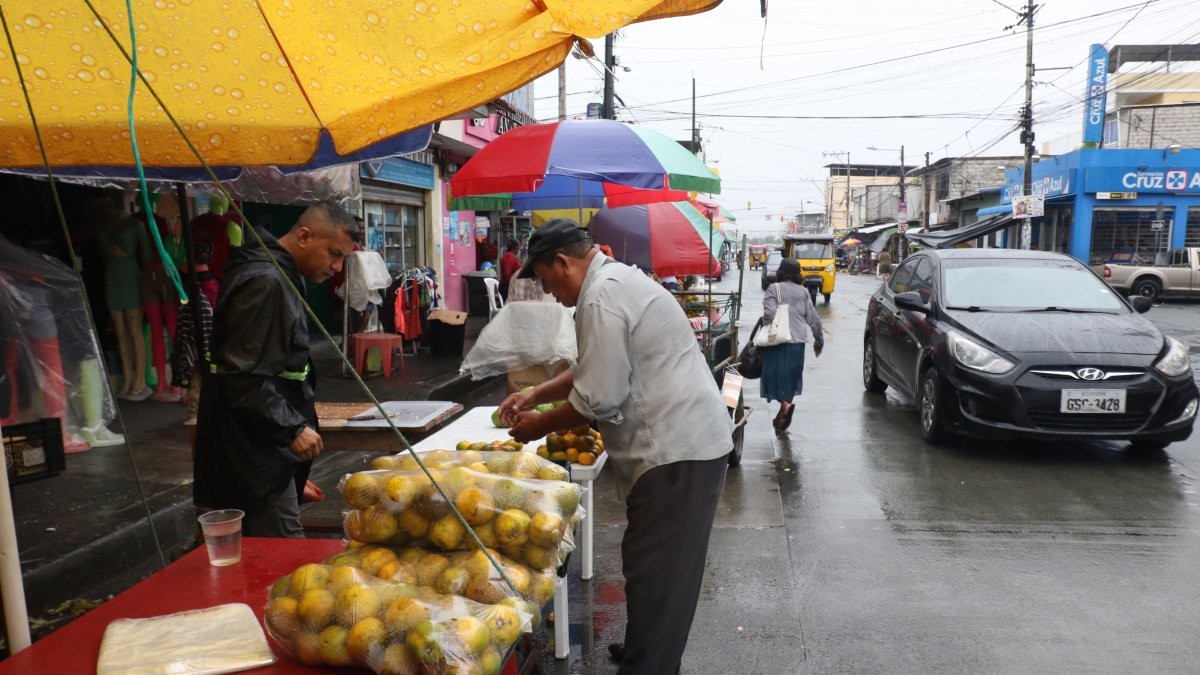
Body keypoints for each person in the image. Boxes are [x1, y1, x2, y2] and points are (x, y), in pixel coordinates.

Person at [498, 218, 732, 675]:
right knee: (652, 567)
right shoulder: (616, 281)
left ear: (562, 263)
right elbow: (596, 367)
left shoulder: (600, 297)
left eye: (545, 280)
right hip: (683, 445)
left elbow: (598, 397)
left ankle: (650, 664)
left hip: (675, 450)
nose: (550, 294)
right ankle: (646, 647)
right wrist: (535, 394)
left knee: (661, 574)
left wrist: (538, 425)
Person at [193, 200, 357, 537]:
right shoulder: (265, 281)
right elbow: (242, 375)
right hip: (255, 459)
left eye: (343, 258)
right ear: (304, 237)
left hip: (268, 453)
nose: (337, 267)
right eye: (334, 254)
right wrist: (291, 431)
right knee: (283, 554)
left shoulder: (279, 275)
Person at [761, 258, 824, 431]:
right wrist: (819, 340)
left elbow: (770, 313)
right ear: (798, 274)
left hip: (777, 341)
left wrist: (764, 321)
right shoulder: (804, 291)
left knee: (774, 378)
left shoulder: (773, 289)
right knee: (791, 380)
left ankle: (785, 407)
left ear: (780, 272)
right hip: (797, 344)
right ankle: (780, 419)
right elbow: (814, 319)